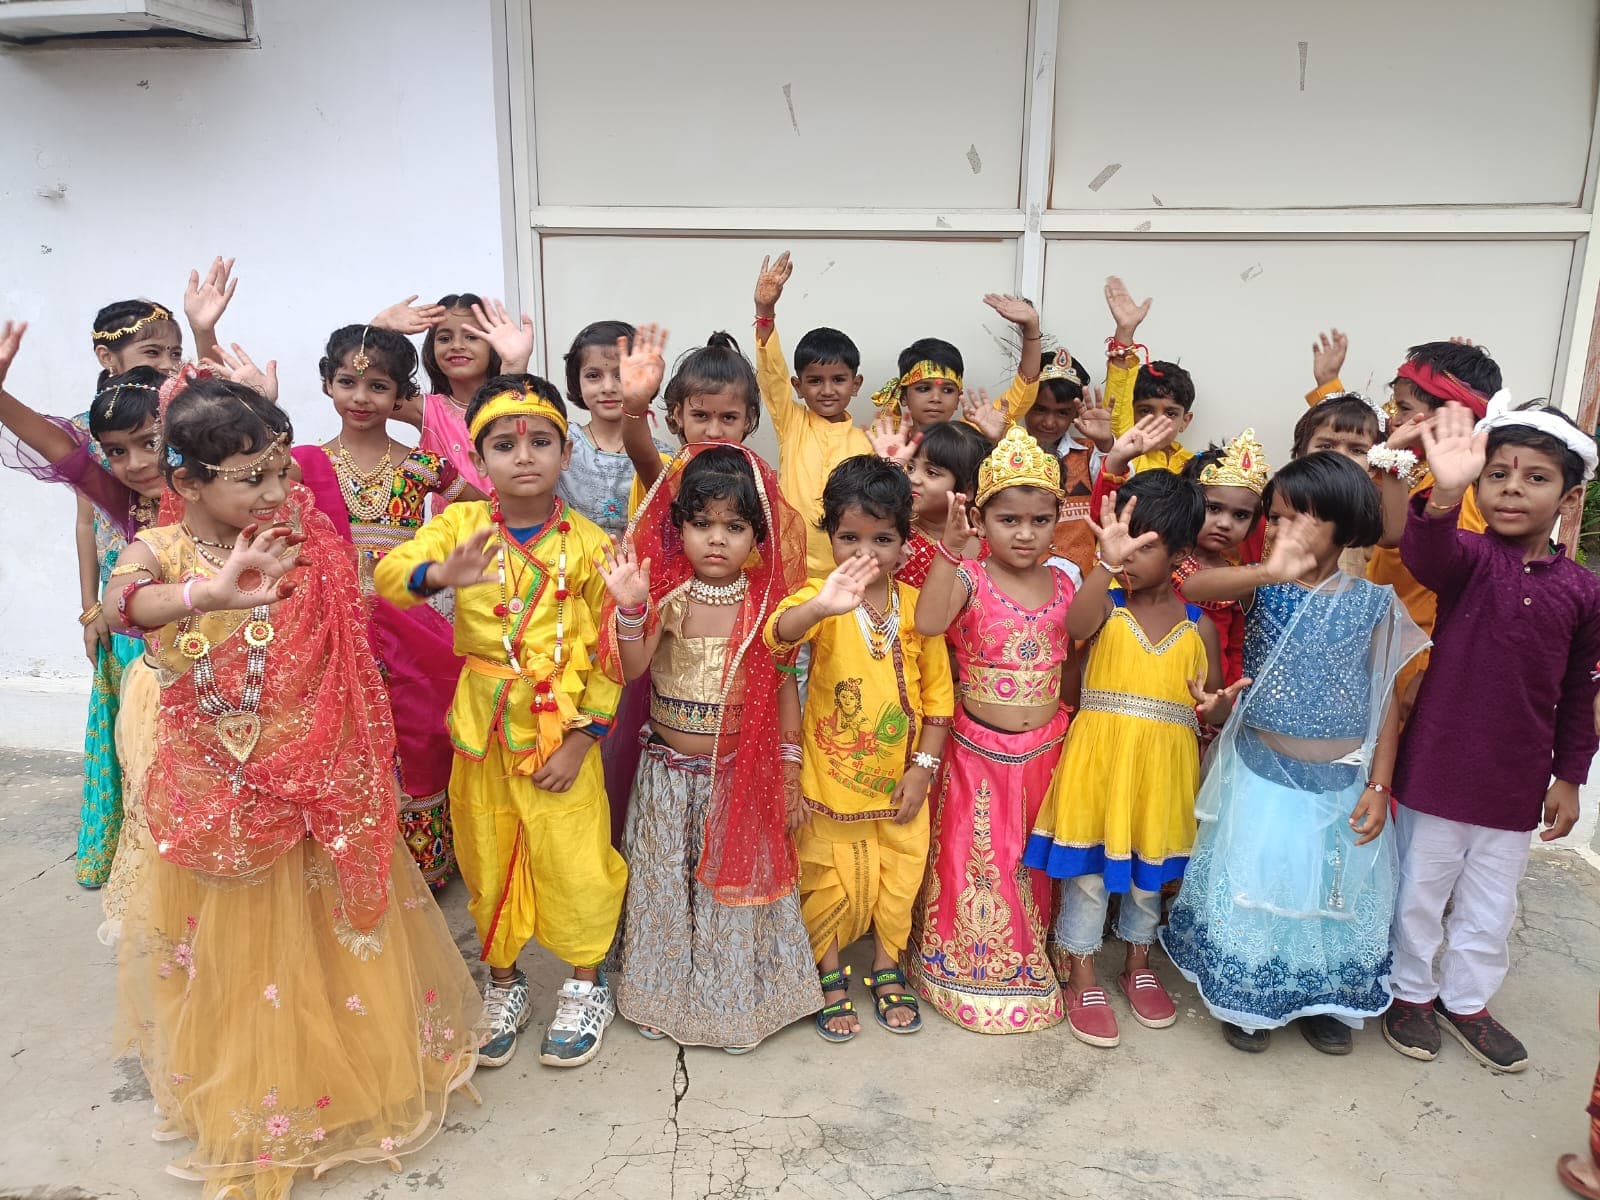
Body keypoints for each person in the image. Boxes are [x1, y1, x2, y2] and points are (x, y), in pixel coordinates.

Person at [105, 370, 480, 1199]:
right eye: (254, 478)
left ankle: (345, 1081)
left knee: (328, 936)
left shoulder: (302, 535)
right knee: (243, 950)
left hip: (320, 772)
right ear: (187, 483)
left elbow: (362, 610)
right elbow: (123, 604)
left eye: (281, 470)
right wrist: (210, 592)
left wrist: (431, 581)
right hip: (218, 784)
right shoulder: (161, 549)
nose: (280, 490)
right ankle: (257, 1100)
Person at [374, 374, 628, 1070]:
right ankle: (505, 981)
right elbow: (391, 577)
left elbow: (610, 655)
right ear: (477, 461)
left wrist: (584, 741)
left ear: (565, 452)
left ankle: (584, 982)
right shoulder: (460, 525)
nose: (525, 456)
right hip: (482, 727)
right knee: (486, 853)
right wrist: (438, 578)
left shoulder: (590, 545)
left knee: (574, 857)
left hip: (562, 726)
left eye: (541, 441)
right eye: (504, 445)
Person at [1162, 452, 1426, 1054]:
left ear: (1343, 524)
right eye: (1276, 519)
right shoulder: (1260, 588)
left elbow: (1385, 700)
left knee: (1331, 890)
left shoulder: (1375, 603)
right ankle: (1251, 992)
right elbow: (1193, 587)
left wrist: (1379, 785)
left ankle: (1323, 997)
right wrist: (1266, 572)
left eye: (1301, 520)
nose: (1282, 532)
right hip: (1262, 774)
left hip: (1342, 781)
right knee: (1262, 880)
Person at [1383, 400, 1600, 1074]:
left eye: (1535, 478)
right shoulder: (1471, 558)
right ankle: (1411, 993)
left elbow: (1578, 693)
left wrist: (1569, 776)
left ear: (1570, 497)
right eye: (1497, 473)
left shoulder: (1583, 591)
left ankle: (1467, 1000)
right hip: (1439, 768)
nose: (1511, 487)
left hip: (1514, 783)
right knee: (1420, 888)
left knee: (1490, 905)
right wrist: (1444, 491)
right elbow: (1424, 550)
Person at [599, 444, 820, 1050]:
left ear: (760, 534)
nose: (716, 540)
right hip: (669, 775)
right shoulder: (669, 596)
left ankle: (735, 1002)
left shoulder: (766, 605)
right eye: (701, 525)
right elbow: (635, 667)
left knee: (732, 890)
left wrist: (789, 769)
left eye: (734, 526)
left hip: (738, 775)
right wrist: (630, 610)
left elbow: (781, 693)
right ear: (679, 529)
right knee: (665, 882)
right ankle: (659, 991)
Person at [1025, 472, 1236, 1048]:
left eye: (1146, 545)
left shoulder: (1201, 628)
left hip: (1164, 768)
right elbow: (1074, 626)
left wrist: (1214, 705)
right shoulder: (1107, 604)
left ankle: (1138, 962)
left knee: (1148, 874)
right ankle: (1083, 969)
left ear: (1180, 552)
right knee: (1089, 874)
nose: (1131, 553)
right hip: (1100, 759)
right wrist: (1105, 565)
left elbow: (1211, 704)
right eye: (1124, 539)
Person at [767, 456, 955, 1041]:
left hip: (902, 776)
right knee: (825, 874)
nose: (864, 552)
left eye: (882, 538)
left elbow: (940, 700)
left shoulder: (920, 606)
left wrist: (923, 770)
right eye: (848, 536)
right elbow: (778, 638)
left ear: (906, 541)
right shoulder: (818, 597)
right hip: (831, 775)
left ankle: (886, 964)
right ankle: (829, 971)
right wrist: (822, 606)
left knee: (901, 871)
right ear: (829, 534)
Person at [906, 425, 1077, 1033]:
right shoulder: (970, 576)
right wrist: (951, 554)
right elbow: (927, 622)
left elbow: (1082, 635)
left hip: (1047, 749)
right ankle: (966, 969)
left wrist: (1106, 566)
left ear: (1058, 519)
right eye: (1009, 520)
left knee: (1033, 860)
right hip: (977, 748)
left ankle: (1037, 964)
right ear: (981, 518)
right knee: (979, 860)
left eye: (1038, 520)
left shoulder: (1063, 582)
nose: (1024, 534)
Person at [291, 323, 466, 887]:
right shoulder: (301, 463)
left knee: (418, 734)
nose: (361, 398)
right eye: (348, 382)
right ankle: (346, 860)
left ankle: (421, 865)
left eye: (378, 386)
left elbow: (485, 511)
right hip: (328, 620)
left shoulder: (424, 465)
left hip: (405, 619)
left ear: (400, 395)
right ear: (326, 385)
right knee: (340, 737)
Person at [748, 251, 872, 579]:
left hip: (849, 574)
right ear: (798, 386)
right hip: (790, 570)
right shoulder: (793, 422)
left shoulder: (867, 442)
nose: (827, 390)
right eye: (815, 381)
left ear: (855, 384)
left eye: (839, 380)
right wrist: (765, 311)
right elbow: (771, 373)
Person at [376, 292, 534, 498]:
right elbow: (366, 390)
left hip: (519, 527)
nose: (457, 345)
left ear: (493, 345)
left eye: (471, 337)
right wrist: (379, 327)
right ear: (431, 349)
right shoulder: (427, 410)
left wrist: (514, 366)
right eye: (444, 338)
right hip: (453, 529)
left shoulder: (521, 398)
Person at [620, 326, 762, 504]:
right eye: (701, 416)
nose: (714, 432)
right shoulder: (668, 474)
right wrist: (634, 406)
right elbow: (640, 454)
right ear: (678, 415)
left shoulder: (758, 482)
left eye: (728, 418)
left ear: (748, 419)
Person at [1174, 431, 1272, 689]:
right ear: (1188, 503)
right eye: (1214, 508)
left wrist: (1227, 699)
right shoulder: (1161, 561)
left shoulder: (1238, 581)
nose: (1225, 523)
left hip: (1209, 698)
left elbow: (1236, 648)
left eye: (1240, 515)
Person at [557, 319, 668, 539]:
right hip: (570, 567)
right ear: (575, 381)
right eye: (593, 376)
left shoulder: (662, 457)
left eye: (621, 375)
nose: (608, 387)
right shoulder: (560, 443)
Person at [869, 295, 1043, 431]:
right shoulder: (886, 445)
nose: (936, 399)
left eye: (947, 390)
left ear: (958, 398)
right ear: (903, 396)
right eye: (923, 388)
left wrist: (1031, 330)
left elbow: (1022, 393)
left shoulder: (971, 437)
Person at [1099, 276, 1194, 476]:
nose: (1156, 421)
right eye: (1145, 411)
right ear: (1131, 412)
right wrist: (1124, 333)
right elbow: (1116, 411)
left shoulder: (1194, 466)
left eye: (1170, 413)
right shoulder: (1127, 456)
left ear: (1185, 420)